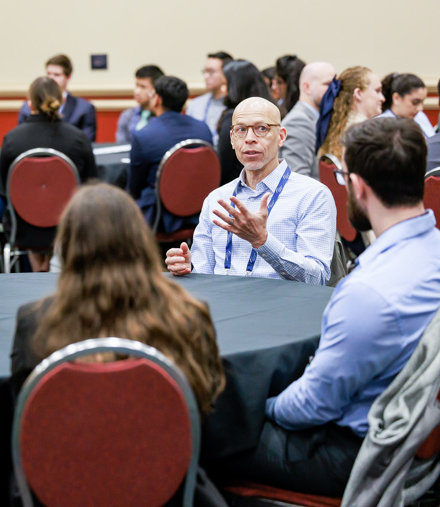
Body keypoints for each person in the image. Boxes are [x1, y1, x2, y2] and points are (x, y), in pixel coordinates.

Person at [210, 117, 440, 497]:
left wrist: (251, 408)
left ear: (359, 187)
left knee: (198, 429)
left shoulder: (366, 290)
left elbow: (309, 408)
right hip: (413, 439)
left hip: (351, 452)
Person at [10, 182, 227, 506]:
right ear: (140, 241)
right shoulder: (189, 316)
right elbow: (205, 413)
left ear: (67, 247)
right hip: (165, 489)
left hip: (64, 488)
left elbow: (27, 421)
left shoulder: (35, 323)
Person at [166, 97, 336, 284]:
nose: (249, 139)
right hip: (223, 307)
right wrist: (189, 270)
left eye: (261, 128)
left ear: (281, 136)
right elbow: (204, 276)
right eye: (241, 130)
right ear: (232, 139)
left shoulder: (312, 195)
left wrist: (263, 241)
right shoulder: (217, 199)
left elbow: (317, 278)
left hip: (280, 308)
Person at [0, 77, 97, 271]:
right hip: (68, 227)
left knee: (28, 206)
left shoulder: (12, 140)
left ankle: (38, 266)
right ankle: (52, 264)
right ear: (61, 101)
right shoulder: (78, 139)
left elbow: (6, 190)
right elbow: (90, 185)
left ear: (29, 104)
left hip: (23, 229)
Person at [129, 76, 213, 233]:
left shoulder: (144, 135)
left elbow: (135, 186)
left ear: (157, 100)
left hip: (161, 216)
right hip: (200, 211)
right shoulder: (203, 129)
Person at [217, 60, 274, 185]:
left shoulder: (233, 119)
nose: (222, 90)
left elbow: (222, 167)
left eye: (225, 84)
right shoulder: (273, 111)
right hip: (271, 181)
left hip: (239, 186)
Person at [18, 54, 97, 142]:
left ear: (68, 77)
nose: (51, 79)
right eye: (49, 74)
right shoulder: (27, 108)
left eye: (57, 75)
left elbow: (87, 143)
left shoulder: (84, 108)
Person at [279, 62, 336, 179]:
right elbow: (297, 179)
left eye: (335, 85)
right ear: (307, 87)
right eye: (327, 84)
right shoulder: (299, 122)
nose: (333, 91)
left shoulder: (314, 119)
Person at [317, 66, 384, 160]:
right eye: (377, 91)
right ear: (358, 94)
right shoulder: (364, 134)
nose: (382, 98)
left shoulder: (336, 127)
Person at [186, 51, 233, 145]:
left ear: (226, 73)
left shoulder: (235, 104)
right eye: (205, 71)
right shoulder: (196, 104)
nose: (206, 76)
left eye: (211, 72)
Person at [115, 65, 164, 144]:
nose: (137, 92)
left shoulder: (163, 118)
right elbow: (120, 144)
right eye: (137, 86)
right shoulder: (128, 115)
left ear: (155, 90)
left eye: (143, 87)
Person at [378, 72, 434, 137]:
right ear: (396, 98)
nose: (420, 108)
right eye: (415, 102)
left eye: (422, 102)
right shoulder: (380, 125)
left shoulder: (420, 116)